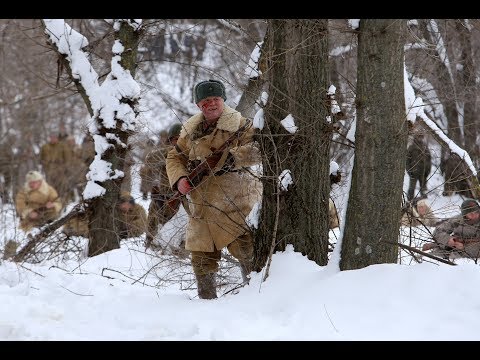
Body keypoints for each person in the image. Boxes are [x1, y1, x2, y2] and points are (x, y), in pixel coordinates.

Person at [166, 79, 262, 299]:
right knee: (201, 257)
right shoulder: (190, 130)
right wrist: (179, 179)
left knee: (246, 252)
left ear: (223, 100)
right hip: (201, 203)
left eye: (215, 99)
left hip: (235, 201)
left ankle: (256, 299)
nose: (211, 104)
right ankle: (206, 305)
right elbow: (174, 156)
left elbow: (259, 149)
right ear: (199, 105)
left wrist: (232, 158)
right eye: (205, 101)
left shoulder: (241, 125)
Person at [144, 123, 183, 249]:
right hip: (167, 196)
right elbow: (149, 159)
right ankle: (150, 244)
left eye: (180, 138)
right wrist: (170, 153)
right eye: (174, 139)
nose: (177, 142)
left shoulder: (193, 152)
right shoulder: (167, 152)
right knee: (154, 212)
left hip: (186, 197)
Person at [406, 132, 432, 201]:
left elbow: (429, 159)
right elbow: (407, 161)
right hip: (414, 172)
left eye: (421, 136)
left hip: (423, 172)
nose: (420, 138)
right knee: (411, 188)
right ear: (415, 137)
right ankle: (410, 202)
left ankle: (424, 203)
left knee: (423, 189)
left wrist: (428, 170)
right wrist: (409, 171)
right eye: (419, 136)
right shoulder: (411, 147)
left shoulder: (425, 147)